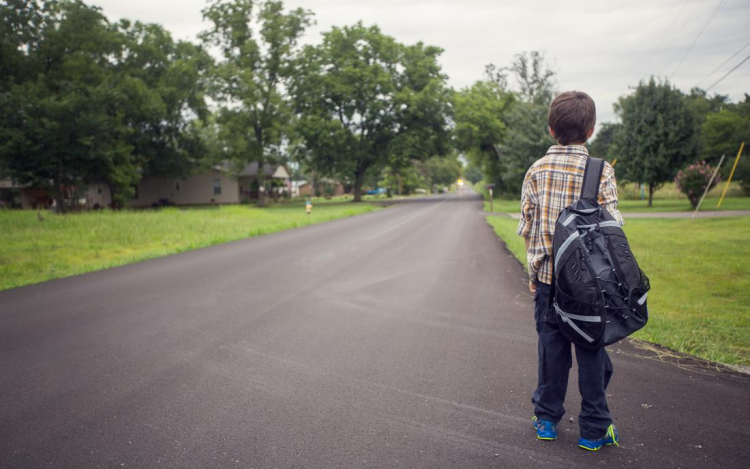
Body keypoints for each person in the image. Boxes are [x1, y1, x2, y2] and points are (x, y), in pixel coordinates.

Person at [516, 91, 624, 451]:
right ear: (591, 130)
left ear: (551, 130)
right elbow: (614, 229)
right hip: (590, 288)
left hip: (549, 283)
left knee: (552, 351)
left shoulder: (536, 170)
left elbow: (529, 228)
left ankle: (546, 419)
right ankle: (593, 431)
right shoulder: (600, 171)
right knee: (592, 353)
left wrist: (534, 275)